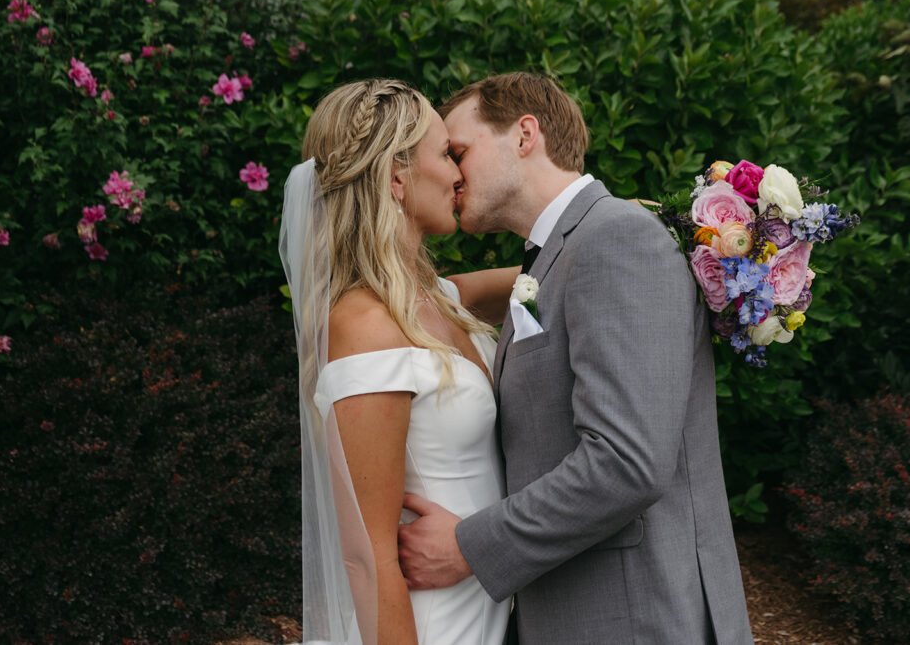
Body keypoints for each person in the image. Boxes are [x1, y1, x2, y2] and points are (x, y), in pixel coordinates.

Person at [397, 72, 754, 644]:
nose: (452, 173)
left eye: (458, 150)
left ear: (524, 135)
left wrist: (469, 547)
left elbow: (625, 463)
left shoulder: (618, 240)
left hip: (638, 617)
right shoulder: (561, 254)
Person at [278, 79, 516, 645]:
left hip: (484, 610)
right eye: (446, 154)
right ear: (396, 176)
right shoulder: (366, 327)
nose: (460, 173)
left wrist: (607, 233)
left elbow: (520, 282)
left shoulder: (428, 300)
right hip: (429, 627)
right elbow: (366, 557)